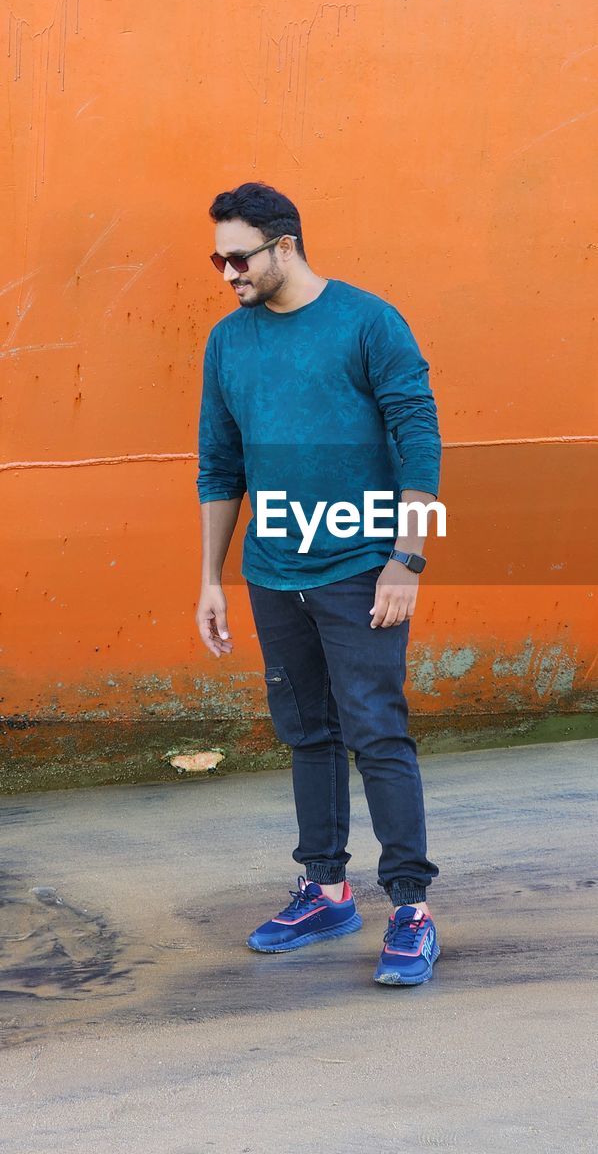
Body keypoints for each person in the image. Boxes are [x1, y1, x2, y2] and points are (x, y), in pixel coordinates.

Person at [196, 182, 442, 986]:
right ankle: (327, 889)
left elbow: (419, 436)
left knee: (377, 732)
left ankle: (410, 907)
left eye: (240, 257)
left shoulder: (368, 321)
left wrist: (408, 559)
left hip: (359, 567)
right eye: (219, 260)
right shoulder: (228, 343)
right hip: (272, 570)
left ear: (285, 245)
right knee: (307, 732)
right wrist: (212, 579)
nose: (229, 273)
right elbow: (219, 466)